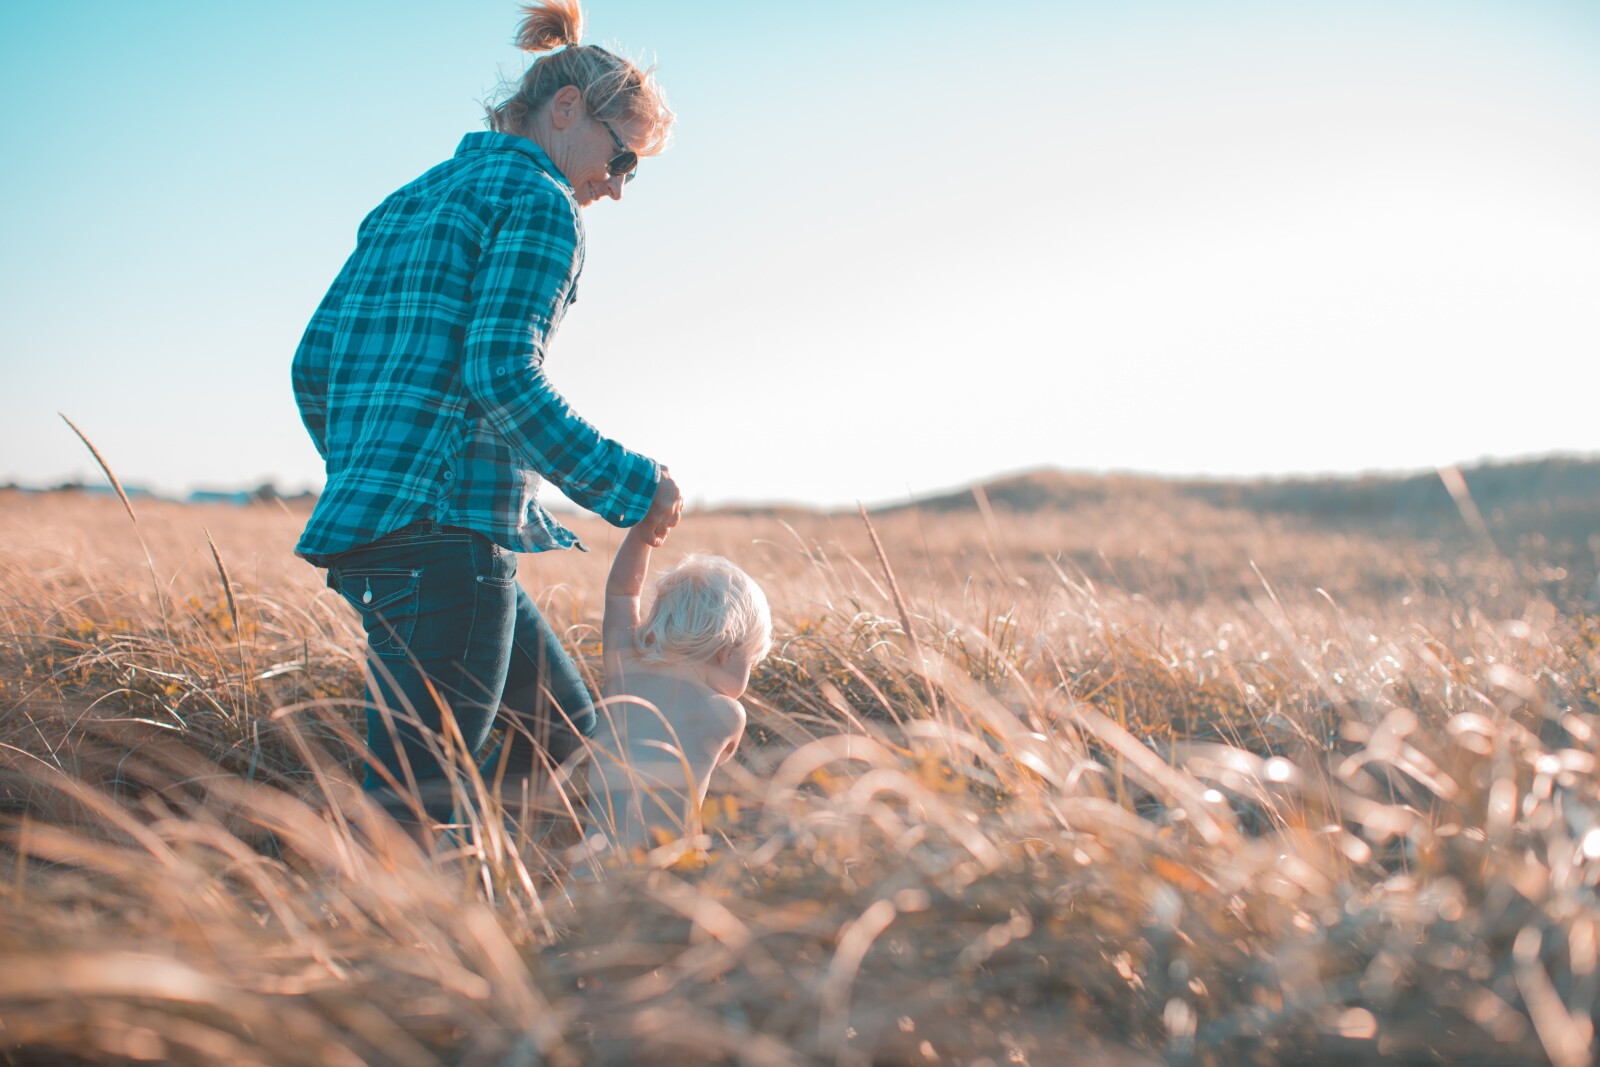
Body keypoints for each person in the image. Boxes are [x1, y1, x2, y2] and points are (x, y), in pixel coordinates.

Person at [290, 0, 680, 827]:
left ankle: (558, 936)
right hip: (446, 545)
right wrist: (632, 485)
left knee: (570, 747)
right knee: (414, 815)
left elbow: (313, 366)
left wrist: (374, 472)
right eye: (625, 160)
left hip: (384, 533)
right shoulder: (543, 203)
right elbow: (502, 374)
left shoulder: (409, 199)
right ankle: (384, 947)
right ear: (568, 110)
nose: (615, 188)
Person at [585, 524, 771, 852]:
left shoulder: (624, 672)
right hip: (663, 866)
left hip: (592, 860)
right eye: (750, 663)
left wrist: (643, 536)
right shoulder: (727, 713)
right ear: (726, 652)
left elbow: (622, 593)